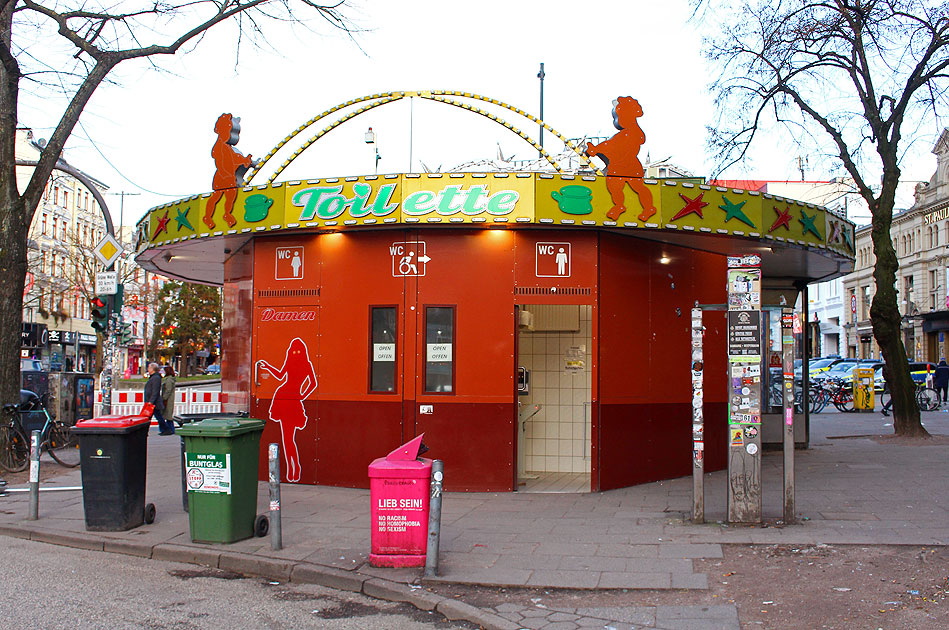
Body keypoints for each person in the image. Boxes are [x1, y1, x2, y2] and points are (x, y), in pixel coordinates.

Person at [144, 362, 174, 435]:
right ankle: (165, 429)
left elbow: (155, 391)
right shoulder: (154, 377)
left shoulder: (156, 378)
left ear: (152, 369)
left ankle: (166, 429)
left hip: (154, 403)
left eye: (149, 367)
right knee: (155, 417)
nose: (148, 369)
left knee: (155, 417)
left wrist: (151, 401)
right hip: (152, 402)